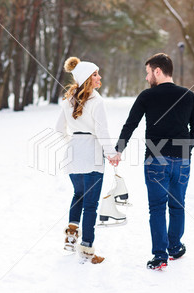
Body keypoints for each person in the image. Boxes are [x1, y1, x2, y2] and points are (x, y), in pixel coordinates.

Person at [111, 53, 194, 270]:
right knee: (177, 204)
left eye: (148, 72)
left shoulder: (147, 96)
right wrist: (184, 150)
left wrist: (119, 150)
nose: (146, 78)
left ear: (158, 71)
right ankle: (175, 248)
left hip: (155, 159)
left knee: (157, 208)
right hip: (182, 160)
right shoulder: (189, 96)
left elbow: (130, 124)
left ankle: (160, 256)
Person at [55, 57, 117, 264]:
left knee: (78, 194)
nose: (99, 77)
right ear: (87, 79)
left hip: (74, 155)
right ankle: (87, 249)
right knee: (91, 204)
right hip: (92, 156)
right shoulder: (97, 101)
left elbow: (58, 129)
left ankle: (71, 234)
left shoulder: (67, 100)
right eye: (95, 74)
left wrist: (73, 142)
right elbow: (102, 130)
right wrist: (111, 153)